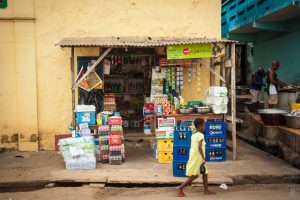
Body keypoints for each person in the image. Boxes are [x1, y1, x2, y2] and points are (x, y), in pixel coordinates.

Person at [176, 118, 215, 197]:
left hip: (195, 156)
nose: (204, 127)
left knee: (205, 173)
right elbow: (199, 147)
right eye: (203, 125)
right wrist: (203, 158)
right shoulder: (200, 135)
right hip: (198, 157)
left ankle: (206, 190)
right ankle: (180, 188)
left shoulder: (193, 135)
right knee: (195, 175)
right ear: (200, 126)